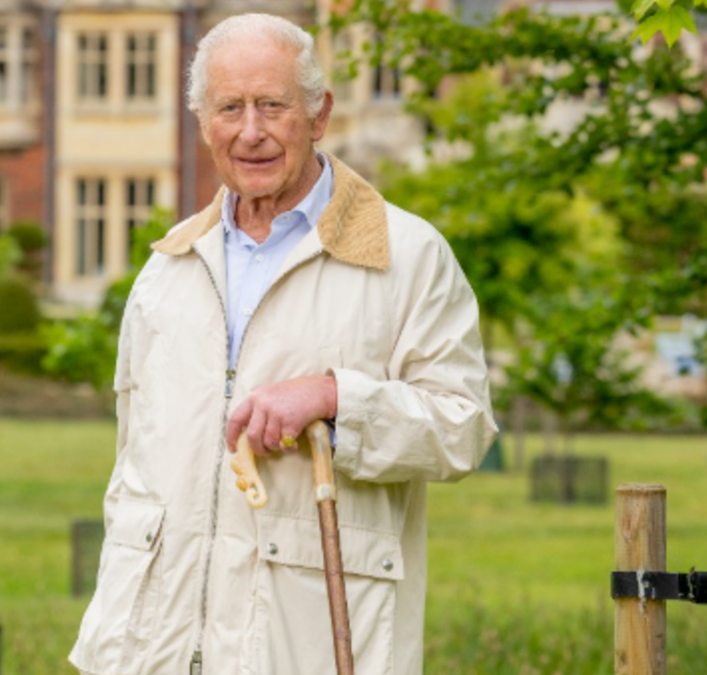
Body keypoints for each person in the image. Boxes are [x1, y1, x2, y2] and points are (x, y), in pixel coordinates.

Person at [69, 13, 497, 675]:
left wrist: (337, 398)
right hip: (152, 652)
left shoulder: (407, 255)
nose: (251, 131)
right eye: (229, 108)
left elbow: (463, 426)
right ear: (202, 121)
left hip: (308, 647)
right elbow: (132, 472)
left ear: (319, 114)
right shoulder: (170, 268)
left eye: (273, 105)